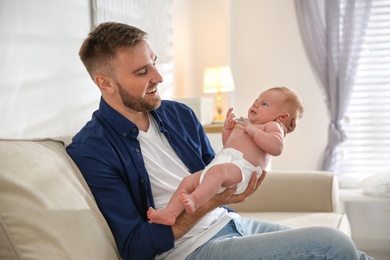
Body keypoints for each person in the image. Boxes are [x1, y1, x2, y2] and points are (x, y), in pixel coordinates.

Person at [67, 22, 373, 260]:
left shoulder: (179, 115)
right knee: (331, 245)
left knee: (347, 252)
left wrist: (227, 194)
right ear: (105, 83)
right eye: (142, 71)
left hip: (229, 223)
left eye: (155, 62)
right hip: (189, 250)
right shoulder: (92, 150)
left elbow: (220, 165)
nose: (159, 76)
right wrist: (209, 203)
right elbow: (135, 247)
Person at [147, 87, 303, 225]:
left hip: (242, 171)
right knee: (189, 181)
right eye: (257, 100)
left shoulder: (271, 126)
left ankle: (195, 200)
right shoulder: (245, 122)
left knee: (217, 173)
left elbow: (276, 148)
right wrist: (227, 129)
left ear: (281, 117)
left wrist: (254, 131)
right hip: (223, 163)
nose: (255, 104)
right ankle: (170, 213)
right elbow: (229, 144)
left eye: (264, 104)